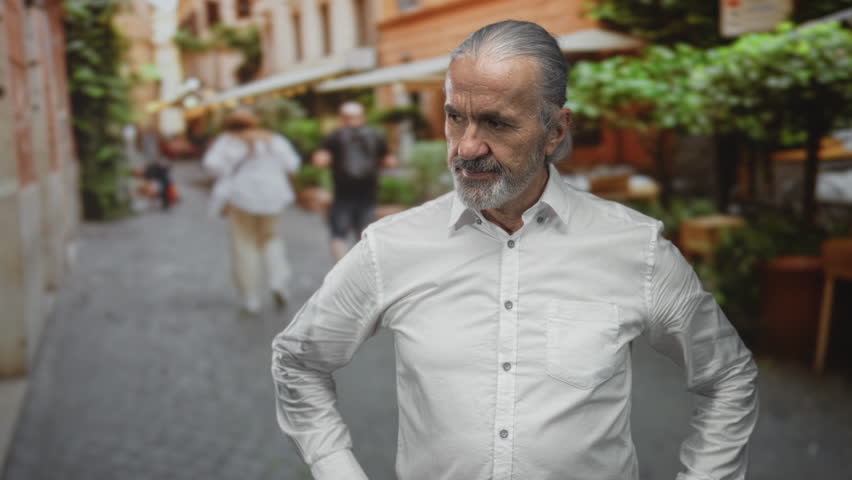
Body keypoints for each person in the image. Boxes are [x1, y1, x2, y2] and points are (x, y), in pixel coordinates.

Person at [272, 20, 758, 480]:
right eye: (455, 117)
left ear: (556, 131)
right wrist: (336, 468)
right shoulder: (392, 246)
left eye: (496, 124)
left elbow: (729, 377)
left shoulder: (636, 248)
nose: (466, 147)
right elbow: (299, 360)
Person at [204, 108, 301, 314]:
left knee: (244, 245)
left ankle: (251, 297)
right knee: (271, 238)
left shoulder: (227, 141)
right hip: (273, 197)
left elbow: (211, 166)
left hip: (240, 198)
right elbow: (293, 164)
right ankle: (278, 282)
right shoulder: (273, 139)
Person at [312, 101, 396, 261]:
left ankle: (342, 267)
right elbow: (390, 162)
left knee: (338, 234)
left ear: (341, 118)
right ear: (363, 117)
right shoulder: (375, 135)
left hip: (342, 192)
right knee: (365, 233)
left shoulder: (334, 136)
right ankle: (363, 267)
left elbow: (319, 161)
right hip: (368, 191)